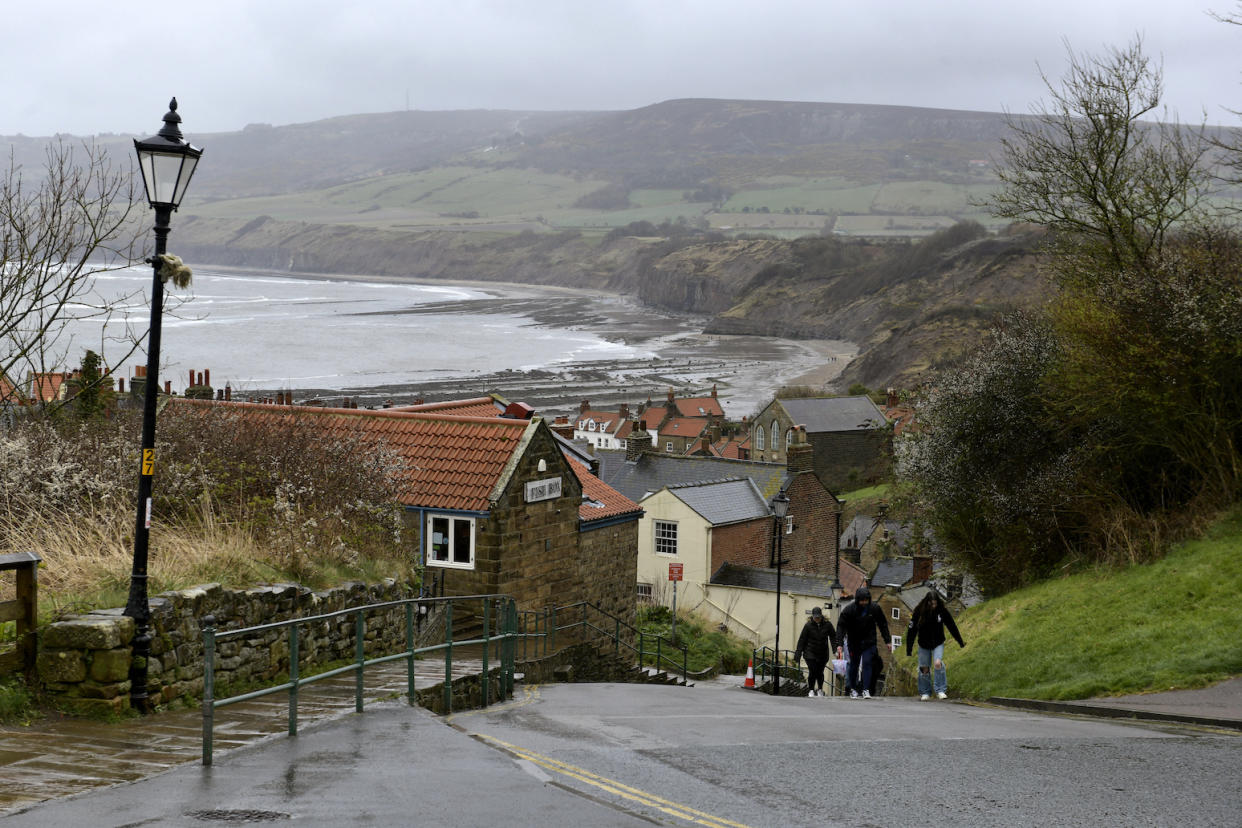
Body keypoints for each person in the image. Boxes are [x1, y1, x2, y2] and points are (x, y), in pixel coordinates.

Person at [905, 590, 965, 700]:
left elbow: (952, 626)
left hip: (938, 642)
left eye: (935, 603)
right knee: (924, 669)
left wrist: (960, 641)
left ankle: (941, 690)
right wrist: (909, 649)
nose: (934, 606)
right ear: (927, 602)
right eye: (931, 603)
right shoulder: (919, 612)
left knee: (937, 663)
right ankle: (925, 692)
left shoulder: (942, 611)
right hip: (923, 644)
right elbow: (911, 631)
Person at [835, 586, 891, 699]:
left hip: (869, 641)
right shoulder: (849, 610)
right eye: (862, 600)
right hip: (854, 641)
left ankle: (866, 689)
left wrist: (888, 641)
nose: (864, 602)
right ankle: (853, 689)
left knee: (867, 663)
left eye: (866, 600)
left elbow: (882, 624)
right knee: (854, 665)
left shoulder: (874, 608)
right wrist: (839, 644)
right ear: (857, 600)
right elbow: (841, 626)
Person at [793, 606, 837, 697]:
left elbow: (833, 637)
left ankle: (820, 689)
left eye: (818, 617)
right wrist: (798, 653)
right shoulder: (808, 626)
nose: (817, 619)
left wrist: (835, 650)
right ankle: (811, 690)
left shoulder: (827, 625)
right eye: (815, 617)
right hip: (810, 652)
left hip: (823, 653)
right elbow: (802, 640)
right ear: (812, 617)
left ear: (821, 616)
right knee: (812, 671)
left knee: (820, 672)